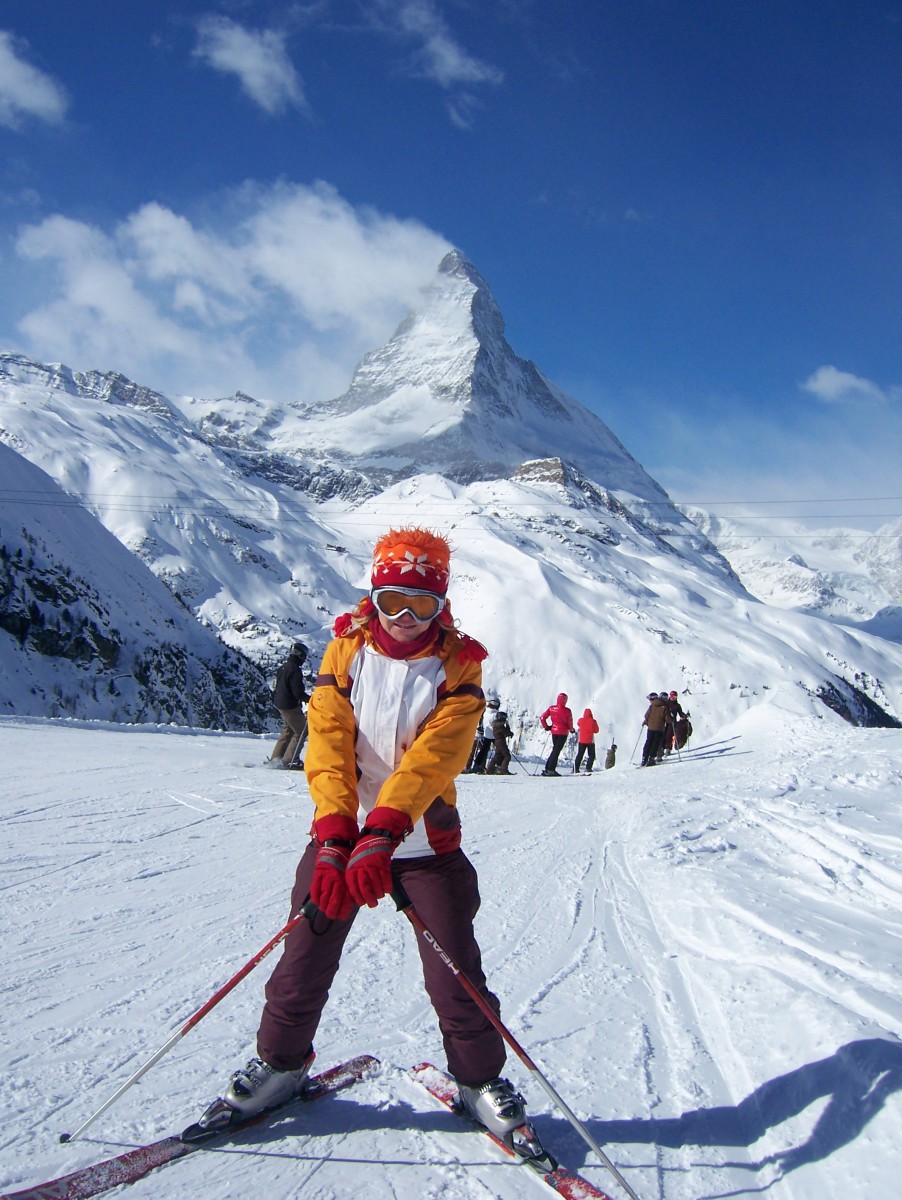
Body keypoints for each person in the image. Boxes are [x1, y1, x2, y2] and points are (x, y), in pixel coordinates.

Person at [194, 527, 542, 1155]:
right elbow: (327, 744)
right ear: (372, 596)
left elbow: (435, 760)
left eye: (422, 605)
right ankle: (281, 1065)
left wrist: (385, 830)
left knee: (455, 970)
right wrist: (336, 835)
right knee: (303, 952)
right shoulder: (344, 653)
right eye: (391, 602)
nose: (406, 619)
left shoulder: (461, 665)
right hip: (346, 836)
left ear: (443, 606)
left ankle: (480, 1079)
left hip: (421, 845)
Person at [269, 642, 309, 768]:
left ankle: (276, 758)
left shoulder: (283, 667)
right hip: (290, 705)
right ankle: (289, 760)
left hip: (281, 704)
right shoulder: (295, 670)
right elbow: (298, 692)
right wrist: (311, 699)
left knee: (288, 730)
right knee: (301, 730)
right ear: (301, 655)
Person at [539, 693, 574, 776]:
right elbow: (570, 722)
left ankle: (548, 768)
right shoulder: (567, 711)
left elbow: (542, 718)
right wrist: (572, 730)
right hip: (563, 732)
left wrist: (547, 727)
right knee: (556, 751)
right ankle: (550, 769)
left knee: (555, 750)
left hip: (554, 731)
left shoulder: (552, 708)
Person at [485, 699, 513, 775]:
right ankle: (503, 770)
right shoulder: (500, 726)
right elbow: (506, 733)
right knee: (507, 756)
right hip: (501, 742)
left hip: (498, 742)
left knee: (497, 756)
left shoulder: (496, 725)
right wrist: (508, 729)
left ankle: (490, 769)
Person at [641, 692, 668, 766]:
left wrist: (647, 722)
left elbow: (646, 715)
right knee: (655, 744)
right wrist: (671, 720)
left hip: (651, 728)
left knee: (648, 742)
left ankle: (644, 758)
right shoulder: (664, 706)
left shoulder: (652, 705)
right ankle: (651, 759)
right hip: (659, 728)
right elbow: (668, 718)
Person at [574, 707, 599, 773]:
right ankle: (588, 768)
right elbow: (596, 730)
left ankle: (575, 769)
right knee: (591, 755)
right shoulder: (593, 721)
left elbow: (578, 724)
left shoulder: (581, 720)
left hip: (581, 740)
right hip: (590, 741)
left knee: (580, 754)